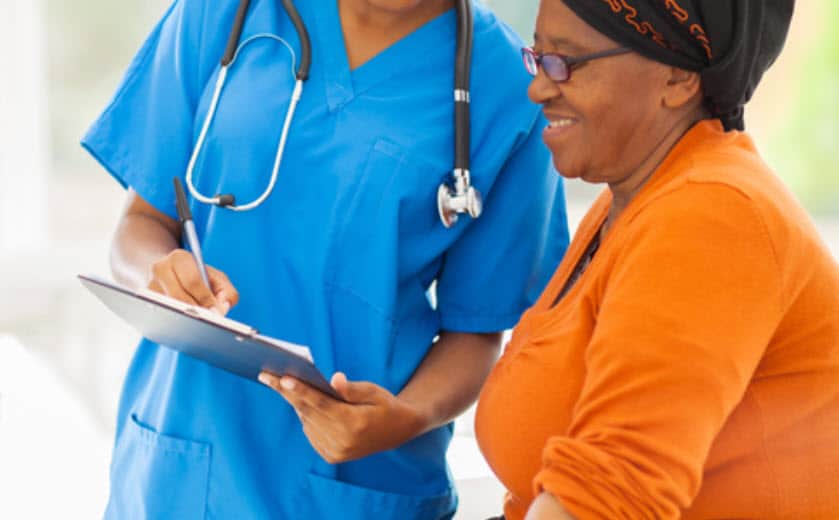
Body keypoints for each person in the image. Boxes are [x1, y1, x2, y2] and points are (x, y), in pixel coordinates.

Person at [82, 0, 570, 518]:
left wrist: (405, 417)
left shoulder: (508, 85)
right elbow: (140, 226)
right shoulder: (225, 11)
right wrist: (159, 275)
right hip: (180, 465)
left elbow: (477, 330)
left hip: (355, 485)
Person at [475, 1, 839, 519]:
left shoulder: (710, 214)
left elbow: (606, 498)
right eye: (538, 57)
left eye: (566, 63)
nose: (538, 88)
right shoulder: (633, 199)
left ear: (678, 77)